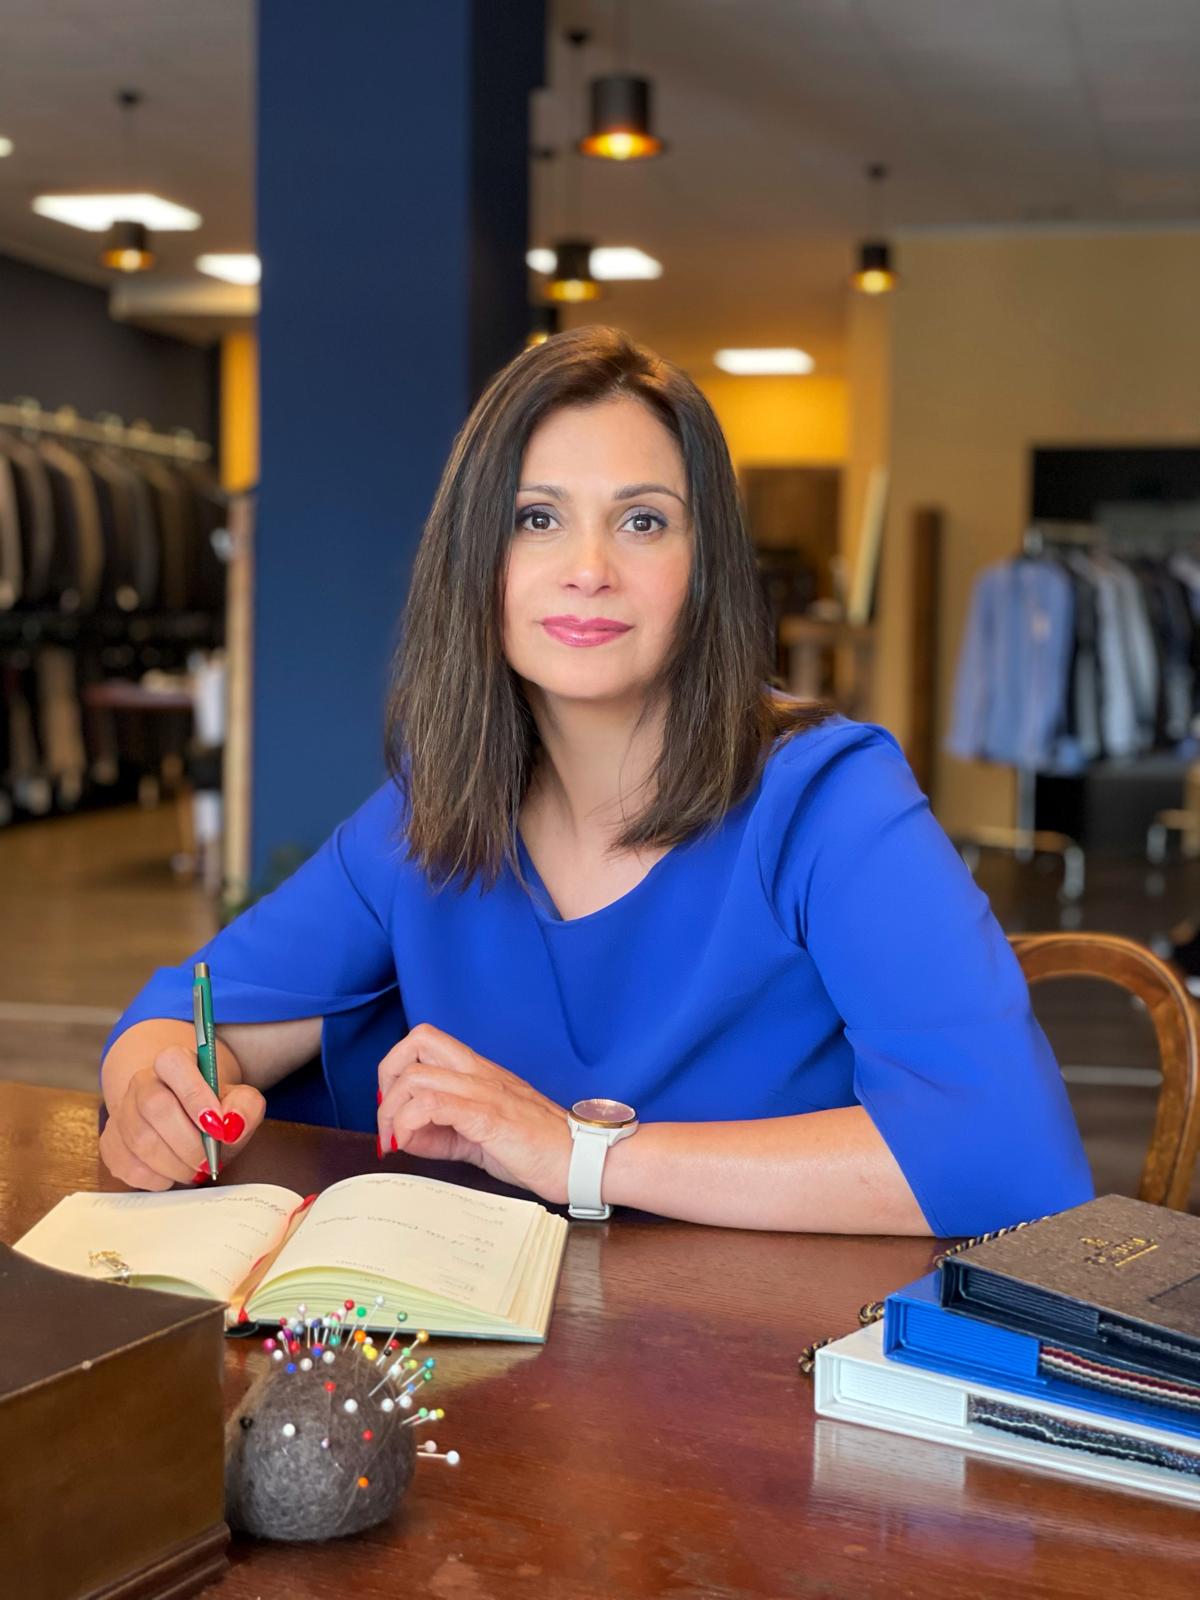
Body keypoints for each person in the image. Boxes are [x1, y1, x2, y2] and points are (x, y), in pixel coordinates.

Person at [99, 326, 1093, 1236]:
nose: (587, 568)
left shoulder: (831, 803)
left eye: (644, 522)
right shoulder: (427, 817)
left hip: (771, 1392)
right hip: (505, 1390)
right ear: (474, 561)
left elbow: (1011, 1159)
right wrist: (160, 1093)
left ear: (708, 566)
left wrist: (575, 1152)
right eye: (536, 517)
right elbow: (185, 1020)